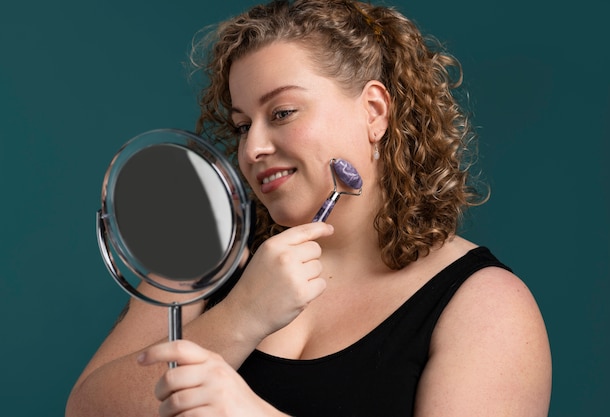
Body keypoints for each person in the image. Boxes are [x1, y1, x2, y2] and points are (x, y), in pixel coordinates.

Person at [66, 0, 552, 416]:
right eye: (241, 125)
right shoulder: (203, 258)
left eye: (282, 113)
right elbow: (87, 411)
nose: (253, 147)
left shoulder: (484, 304)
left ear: (374, 112)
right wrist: (241, 316)